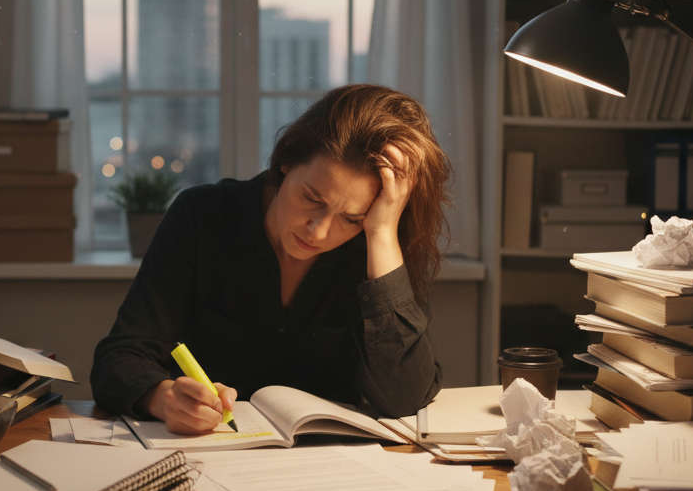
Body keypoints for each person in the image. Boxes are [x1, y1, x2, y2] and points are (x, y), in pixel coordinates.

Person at [90, 84, 452, 434]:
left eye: (351, 218)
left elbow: (405, 396)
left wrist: (382, 234)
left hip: (333, 470)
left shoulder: (379, 247)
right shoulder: (203, 215)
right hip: (208, 457)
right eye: (312, 198)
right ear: (287, 162)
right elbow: (118, 358)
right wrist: (163, 398)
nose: (319, 231)